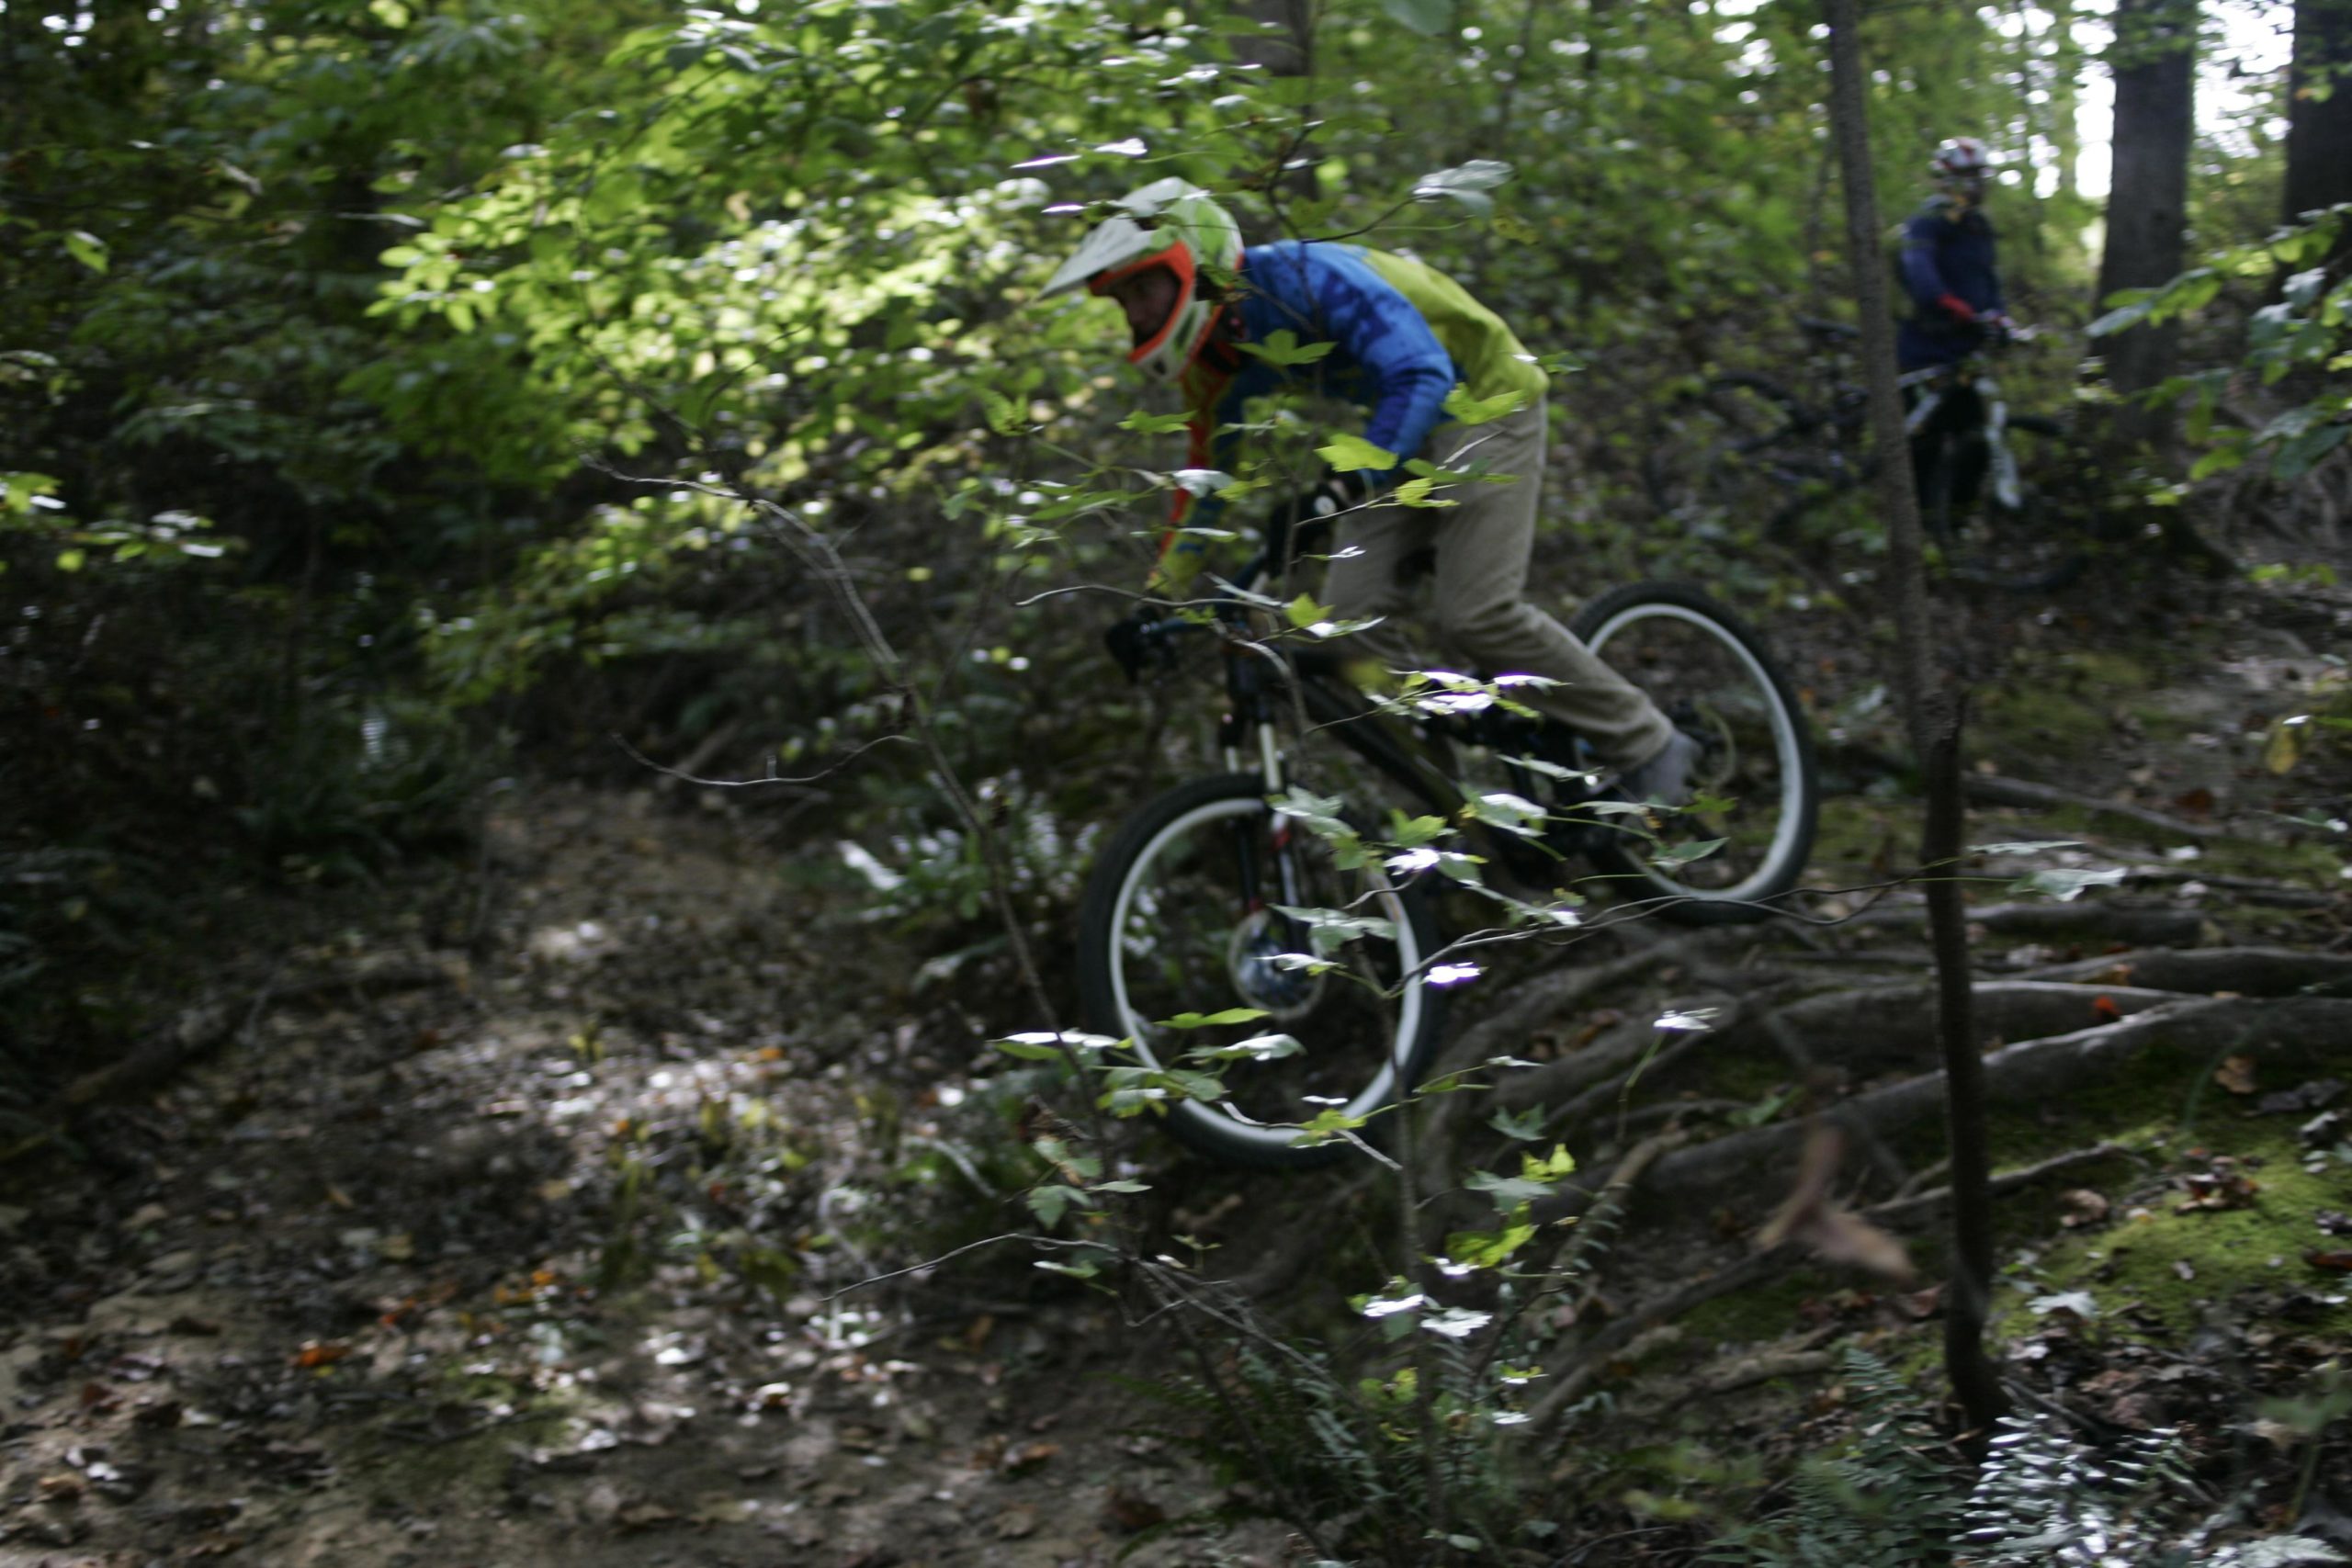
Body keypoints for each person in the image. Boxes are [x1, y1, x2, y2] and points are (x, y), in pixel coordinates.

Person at [1038, 178, 1699, 805]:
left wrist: (1343, 484)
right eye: (1122, 302)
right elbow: (1209, 481)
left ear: (1192, 260)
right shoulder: (1215, 360)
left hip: (1485, 398)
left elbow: (1419, 371)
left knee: (1475, 613)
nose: (1134, 312)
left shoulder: (1305, 277)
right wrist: (1156, 600)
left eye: (1140, 290)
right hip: (1399, 435)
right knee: (1340, 635)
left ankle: (1648, 740)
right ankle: (1459, 806)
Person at [1895, 137, 2013, 372]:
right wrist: (1945, 301)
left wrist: (1999, 314)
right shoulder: (1926, 221)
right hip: (1927, 346)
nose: (1975, 185)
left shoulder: (1979, 225)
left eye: (1978, 176)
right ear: (1947, 180)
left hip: (1970, 346)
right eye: (1968, 177)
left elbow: (1989, 276)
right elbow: (1919, 268)